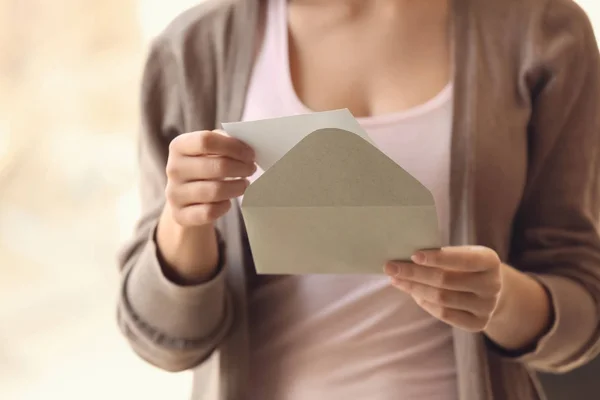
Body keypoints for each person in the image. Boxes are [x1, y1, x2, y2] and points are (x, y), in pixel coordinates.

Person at [117, 0, 600, 399]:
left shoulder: (546, 32)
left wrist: (501, 298)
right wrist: (183, 221)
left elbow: (584, 308)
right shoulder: (191, 51)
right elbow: (162, 341)